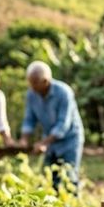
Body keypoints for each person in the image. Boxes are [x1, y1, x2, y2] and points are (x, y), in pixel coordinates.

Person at [19, 61, 84, 189]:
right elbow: (29, 119)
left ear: (45, 81)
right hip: (50, 141)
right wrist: (24, 139)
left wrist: (43, 143)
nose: (32, 87)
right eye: (30, 83)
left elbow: (62, 125)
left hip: (70, 140)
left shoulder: (64, 93)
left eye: (35, 83)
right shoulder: (31, 94)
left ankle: (73, 206)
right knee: (49, 179)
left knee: (69, 179)